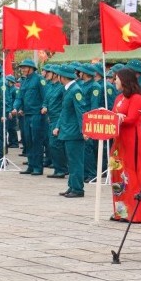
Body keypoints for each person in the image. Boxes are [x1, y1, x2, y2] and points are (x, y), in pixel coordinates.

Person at [111, 68, 141, 221]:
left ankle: (135, 213)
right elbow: (113, 116)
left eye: (116, 78)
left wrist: (119, 117)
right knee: (117, 175)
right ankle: (121, 212)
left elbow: (131, 119)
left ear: (124, 80)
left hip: (132, 140)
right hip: (118, 141)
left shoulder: (137, 98)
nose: (114, 81)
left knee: (130, 175)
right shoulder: (118, 98)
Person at [54, 64, 88, 198]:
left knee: (76, 161)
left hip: (74, 133)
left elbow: (81, 112)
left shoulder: (76, 90)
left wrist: (84, 130)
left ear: (62, 77)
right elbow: (64, 111)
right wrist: (58, 126)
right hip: (68, 131)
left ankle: (78, 189)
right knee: (71, 161)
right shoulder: (68, 89)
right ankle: (72, 186)